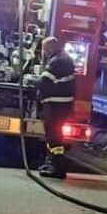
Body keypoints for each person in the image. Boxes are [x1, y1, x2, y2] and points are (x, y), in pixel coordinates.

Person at [35, 36, 75, 179]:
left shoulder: (58, 61)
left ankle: (57, 166)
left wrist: (29, 80)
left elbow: (44, 82)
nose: (43, 52)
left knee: (54, 135)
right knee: (52, 134)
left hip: (56, 105)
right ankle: (51, 162)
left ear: (51, 47)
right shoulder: (61, 58)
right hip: (57, 104)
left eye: (45, 48)